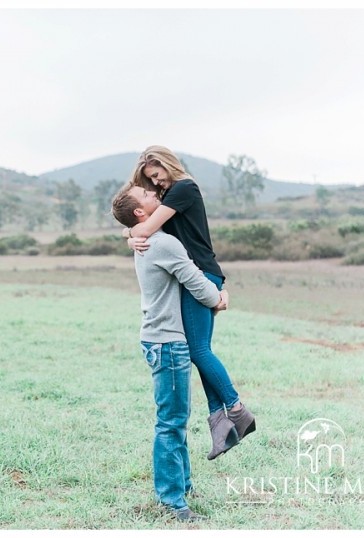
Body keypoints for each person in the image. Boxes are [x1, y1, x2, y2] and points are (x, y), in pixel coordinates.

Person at [120, 145, 255, 460]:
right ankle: (221, 425)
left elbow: (147, 228)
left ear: (168, 165)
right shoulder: (169, 198)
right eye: (151, 182)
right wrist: (129, 232)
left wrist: (129, 234)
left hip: (201, 276)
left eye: (157, 176)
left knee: (198, 350)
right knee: (200, 350)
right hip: (195, 276)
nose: (158, 183)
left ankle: (237, 411)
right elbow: (142, 224)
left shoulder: (184, 188)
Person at [111, 183, 231, 522]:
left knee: (175, 419)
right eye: (147, 195)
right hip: (168, 343)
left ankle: (183, 487)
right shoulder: (162, 243)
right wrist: (220, 296)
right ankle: (172, 501)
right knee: (171, 423)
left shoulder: (147, 239)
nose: (155, 195)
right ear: (140, 212)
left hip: (158, 339)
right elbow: (197, 284)